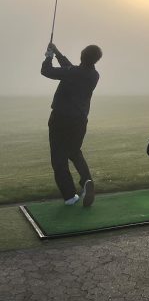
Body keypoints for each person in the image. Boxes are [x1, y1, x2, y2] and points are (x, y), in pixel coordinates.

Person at [41, 43, 102, 206]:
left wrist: (48, 56)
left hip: (60, 120)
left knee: (58, 159)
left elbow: (46, 71)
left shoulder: (72, 73)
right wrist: (58, 52)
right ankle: (87, 180)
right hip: (80, 121)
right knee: (74, 151)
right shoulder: (93, 75)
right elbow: (70, 68)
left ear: (82, 56)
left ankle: (70, 196)